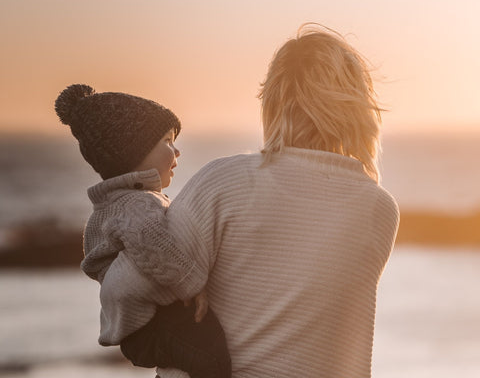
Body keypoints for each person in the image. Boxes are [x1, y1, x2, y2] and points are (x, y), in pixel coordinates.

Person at [162, 24, 400, 378]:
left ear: (273, 100)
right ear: (357, 108)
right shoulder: (379, 209)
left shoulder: (224, 182)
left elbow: (147, 284)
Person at [54, 84, 231, 378]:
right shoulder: (136, 206)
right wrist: (193, 285)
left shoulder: (117, 203)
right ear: (132, 153)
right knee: (213, 360)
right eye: (167, 141)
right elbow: (158, 247)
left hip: (142, 328)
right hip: (151, 327)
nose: (177, 150)